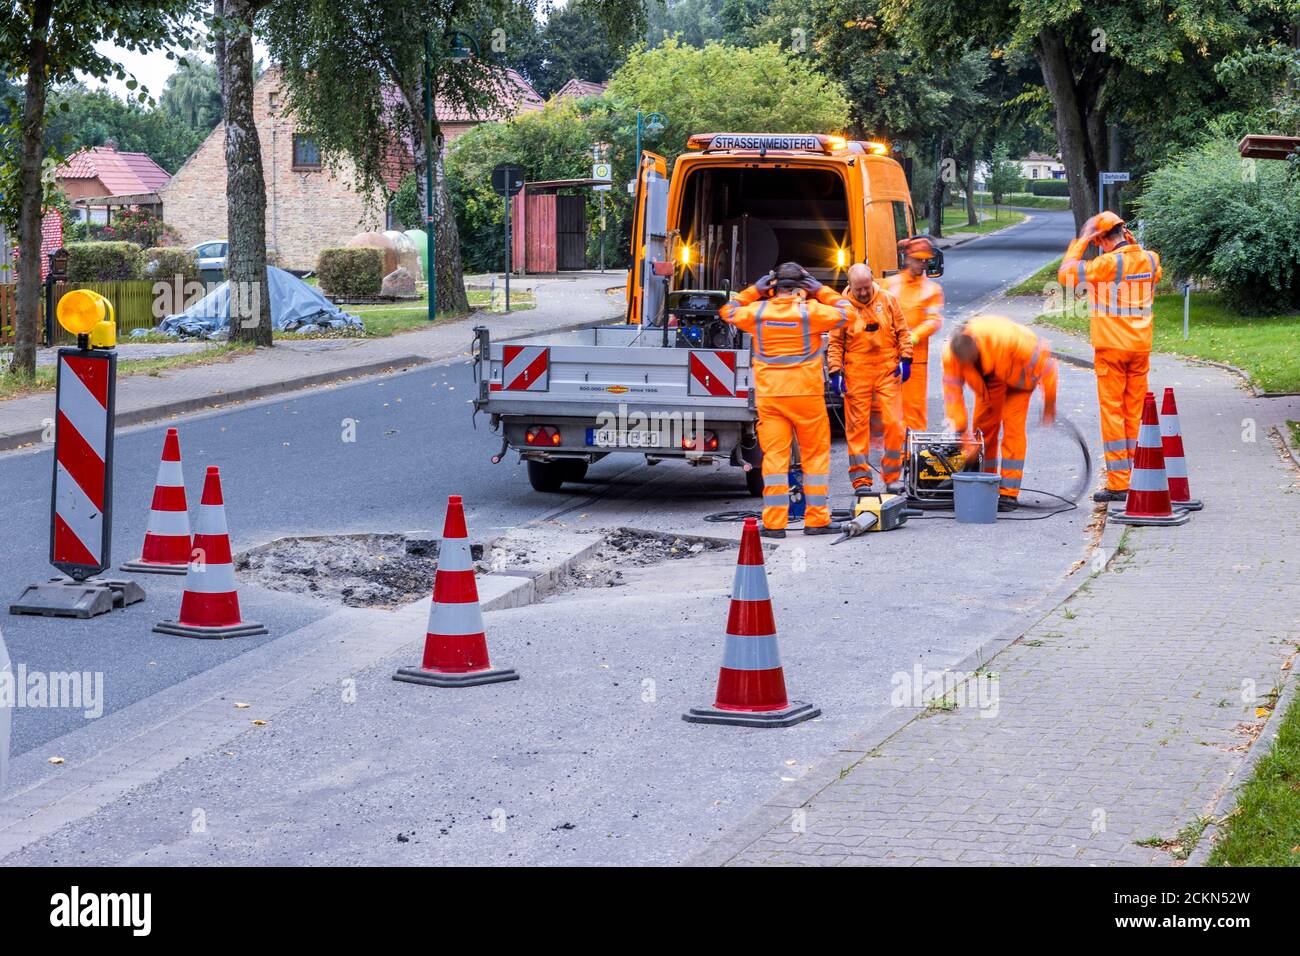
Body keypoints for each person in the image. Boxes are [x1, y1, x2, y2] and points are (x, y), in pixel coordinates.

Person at [721, 262, 850, 537]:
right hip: (806, 395)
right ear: (803, 287)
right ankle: (816, 520)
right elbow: (848, 312)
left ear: (773, 287)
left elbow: (727, 311)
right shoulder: (810, 312)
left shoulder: (758, 312)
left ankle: (775, 523)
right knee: (814, 457)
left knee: (775, 459)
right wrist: (822, 290)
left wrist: (753, 291)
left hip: (771, 396)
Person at [1058, 211, 1163, 503]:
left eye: (1098, 241)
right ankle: (1139, 475)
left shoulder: (1105, 264)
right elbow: (1150, 269)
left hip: (1112, 351)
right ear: (1124, 232)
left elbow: (1066, 274)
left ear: (1102, 238)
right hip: (1140, 348)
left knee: (1113, 414)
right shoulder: (1151, 259)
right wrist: (1128, 239)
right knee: (1135, 413)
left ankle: (1119, 483)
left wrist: (1081, 240)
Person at [941, 315, 1059, 512]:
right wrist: (961, 432)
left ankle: (1008, 493)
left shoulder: (1012, 341)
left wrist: (1049, 404)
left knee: (1013, 432)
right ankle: (984, 483)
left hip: (1019, 385)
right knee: (982, 433)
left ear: (978, 350)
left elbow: (1048, 369)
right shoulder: (952, 356)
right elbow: (953, 397)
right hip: (989, 385)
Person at [826, 263, 912, 495]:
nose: (863, 293)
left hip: (887, 370)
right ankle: (861, 480)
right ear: (849, 286)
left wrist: (906, 358)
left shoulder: (887, 300)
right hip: (857, 373)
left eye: (866, 288)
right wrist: (836, 372)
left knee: (894, 424)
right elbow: (835, 343)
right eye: (858, 289)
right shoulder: (841, 309)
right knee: (857, 429)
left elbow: (903, 331)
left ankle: (893, 477)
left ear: (872, 280)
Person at [884, 237, 944, 431]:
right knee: (890, 408)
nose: (923, 264)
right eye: (919, 259)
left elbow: (934, 320)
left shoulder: (931, 290)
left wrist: (913, 337)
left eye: (926, 260)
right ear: (907, 258)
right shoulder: (889, 285)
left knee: (914, 409)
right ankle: (895, 452)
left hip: (916, 359)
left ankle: (914, 454)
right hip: (889, 356)